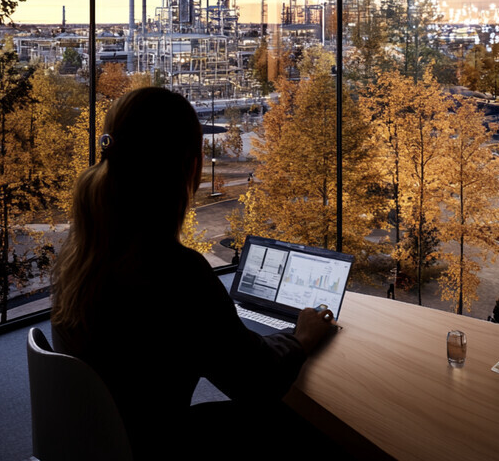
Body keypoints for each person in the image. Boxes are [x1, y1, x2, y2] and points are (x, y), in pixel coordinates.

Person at [51, 87, 336, 460]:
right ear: (189, 166)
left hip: (108, 438)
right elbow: (257, 381)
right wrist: (301, 337)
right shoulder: (175, 273)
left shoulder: (80, 257)